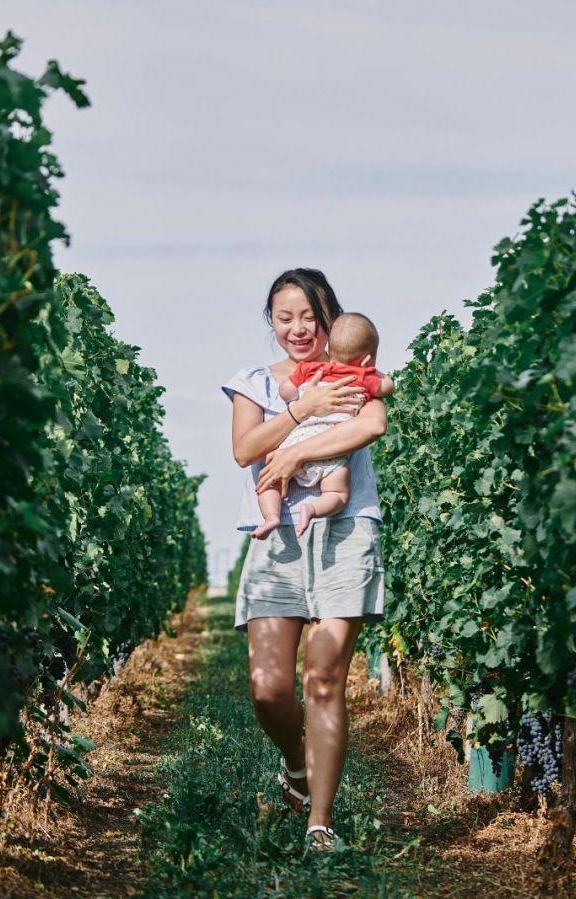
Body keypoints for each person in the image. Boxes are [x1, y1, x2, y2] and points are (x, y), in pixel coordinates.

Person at [221, 268, 388, 852]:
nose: (297, 328)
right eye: (284, 317)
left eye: (309, 317)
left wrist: (294, 456)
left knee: (323, 681)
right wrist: (303, 410)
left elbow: (373, 424)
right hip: (277, 542)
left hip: (344, 531)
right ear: (271, 321)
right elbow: (245, 448)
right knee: (269, 689)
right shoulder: (256, 383)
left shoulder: (354, 376)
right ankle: (297, 762)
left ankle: (320, 823)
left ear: (330, 317)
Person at [253, 312, 395, 540]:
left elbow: (286, 391)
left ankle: (271, 515)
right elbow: (387, 387)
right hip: (332, 451)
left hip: (297, 440)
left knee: (268, 481)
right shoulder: (363, 376)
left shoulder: (310, 369)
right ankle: (313, 509)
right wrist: (370, 370)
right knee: (337, 493)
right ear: (367, 359)